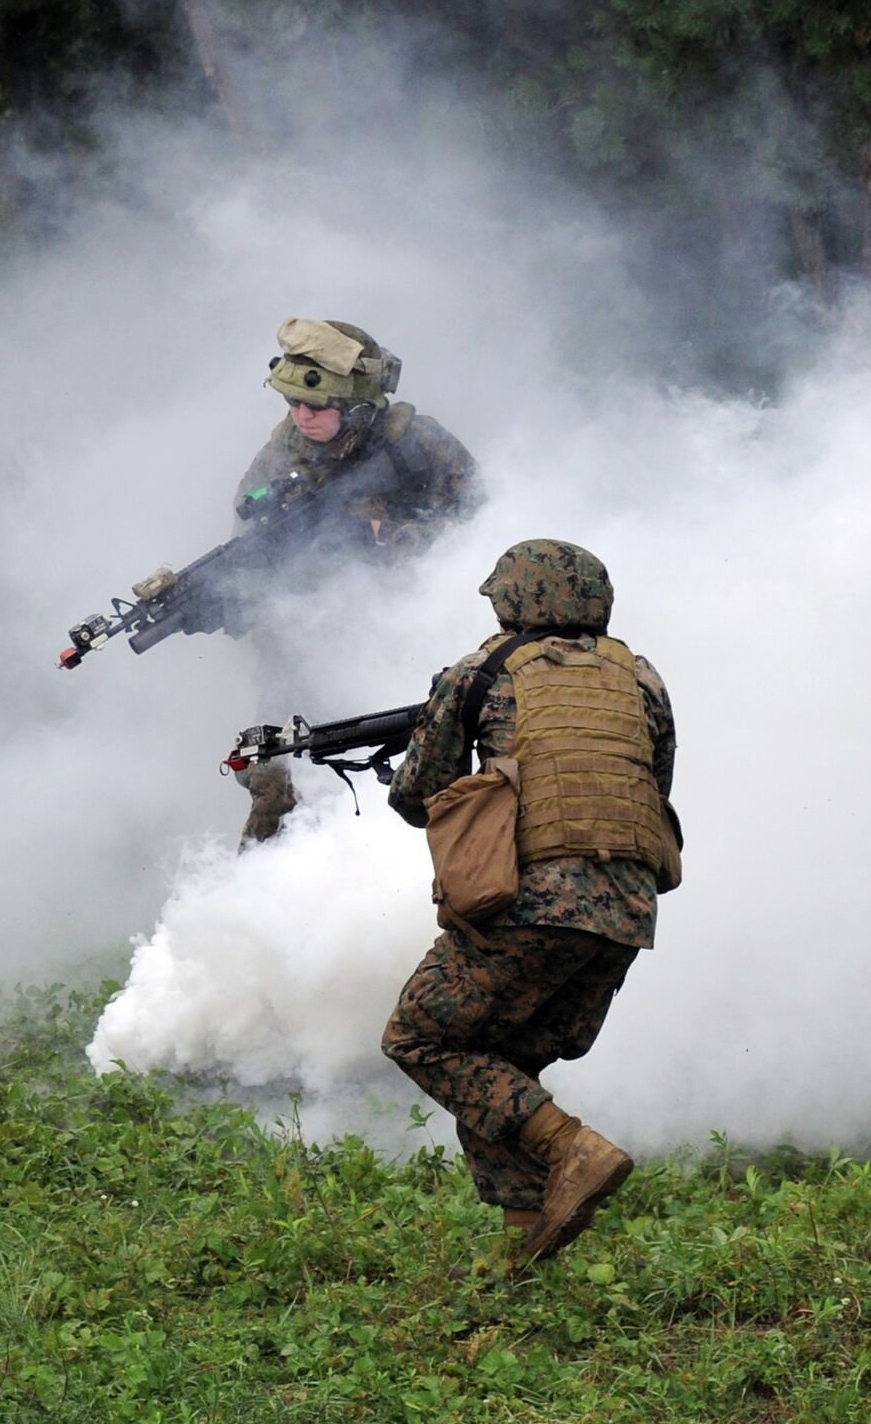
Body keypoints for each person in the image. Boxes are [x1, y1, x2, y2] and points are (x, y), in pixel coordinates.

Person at [380, 539, 681, 1266]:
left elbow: (420, 795)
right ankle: (524, 1247)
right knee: (499, 1063)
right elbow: (656, 783)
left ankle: (574, 1147)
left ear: (514, 601)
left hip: (530, 905)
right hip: (625, 915)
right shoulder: (641, 679)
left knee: (419, 1037)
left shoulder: (479, 671)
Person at [235, 318, 483, 847]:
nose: (302, 416)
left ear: (357, 407)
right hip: (308, 632)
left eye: (317, 407)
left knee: (411, 778)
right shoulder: (285, 451)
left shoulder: (416, 443)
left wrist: (384, 535)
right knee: (270, 772)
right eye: (294, 405)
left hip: (402, 633)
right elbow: (248, 534)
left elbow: (484, 518)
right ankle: (249, 900)